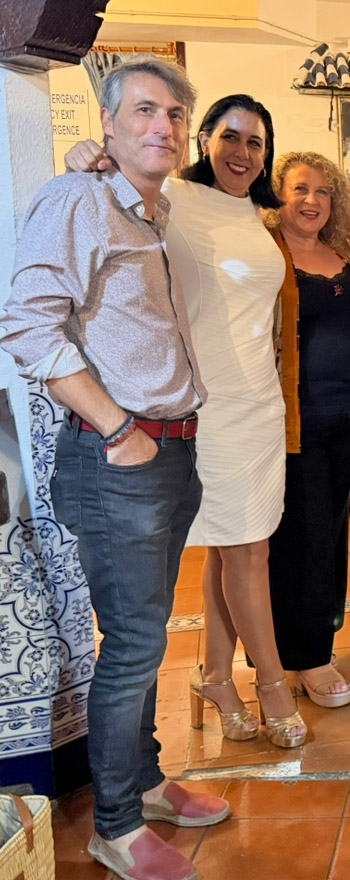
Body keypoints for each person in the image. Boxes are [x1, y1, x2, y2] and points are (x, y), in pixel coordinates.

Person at [1, 58, 229, 880]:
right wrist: (117, 427)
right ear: (107, 122)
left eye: (174, 113)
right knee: (133, 643)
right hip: (119, 459)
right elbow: (26, 323)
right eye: (143, 110)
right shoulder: (80, 199)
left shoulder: (148, 208)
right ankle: (117, 826)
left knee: (144, 635)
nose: (162, 125)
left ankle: (148, 781)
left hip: (169, 452)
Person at [66, 95, 307, 749]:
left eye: (256, 142)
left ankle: (216, 677)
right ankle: (272, 685)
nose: (242, 152)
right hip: (209, 406)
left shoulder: (255, 215)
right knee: (248, 552)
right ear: (204, 140)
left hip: (260, 405)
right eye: (230, 137)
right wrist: (85, 157)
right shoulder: (172, 197)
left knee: (233, 543)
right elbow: (103, 195)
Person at [264, 152, 350, 706]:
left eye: (324, 191)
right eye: (300, 188)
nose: (312, 200)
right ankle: (305, 657)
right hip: (293, 422)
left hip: (345, 417)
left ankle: (316, 641)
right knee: (299, 538)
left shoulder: (342, 253)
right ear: (278, 193)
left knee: (330, 533)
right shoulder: (268, 253)